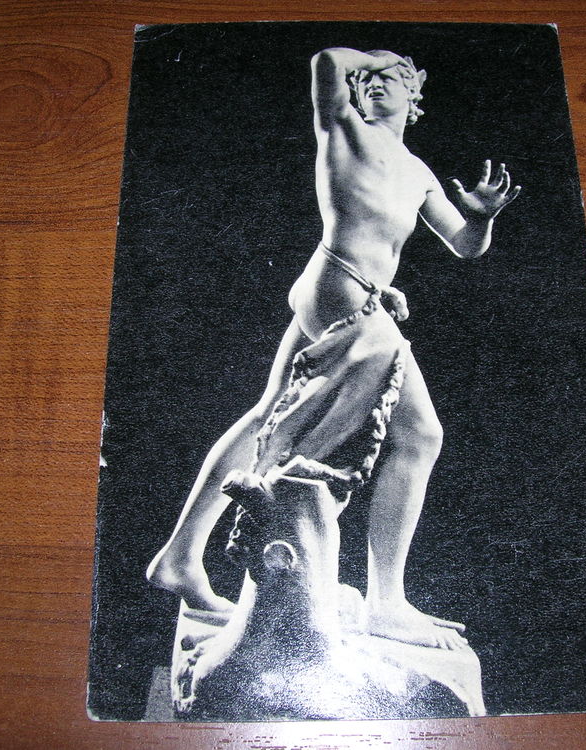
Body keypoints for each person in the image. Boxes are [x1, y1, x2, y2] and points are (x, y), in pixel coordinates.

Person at [148, 48, 521, 650]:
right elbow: (327, 61)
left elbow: (465, 244)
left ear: (414, 93)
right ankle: (387, 602)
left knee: (268, 413)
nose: (370, 83)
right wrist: (382, 57)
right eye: (364, 78)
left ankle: (179, 558)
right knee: (420, 434)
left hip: (344, 292)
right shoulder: (343, 129)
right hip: (340, 286)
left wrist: (481, 218)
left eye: (388, 78)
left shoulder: (418, 171)